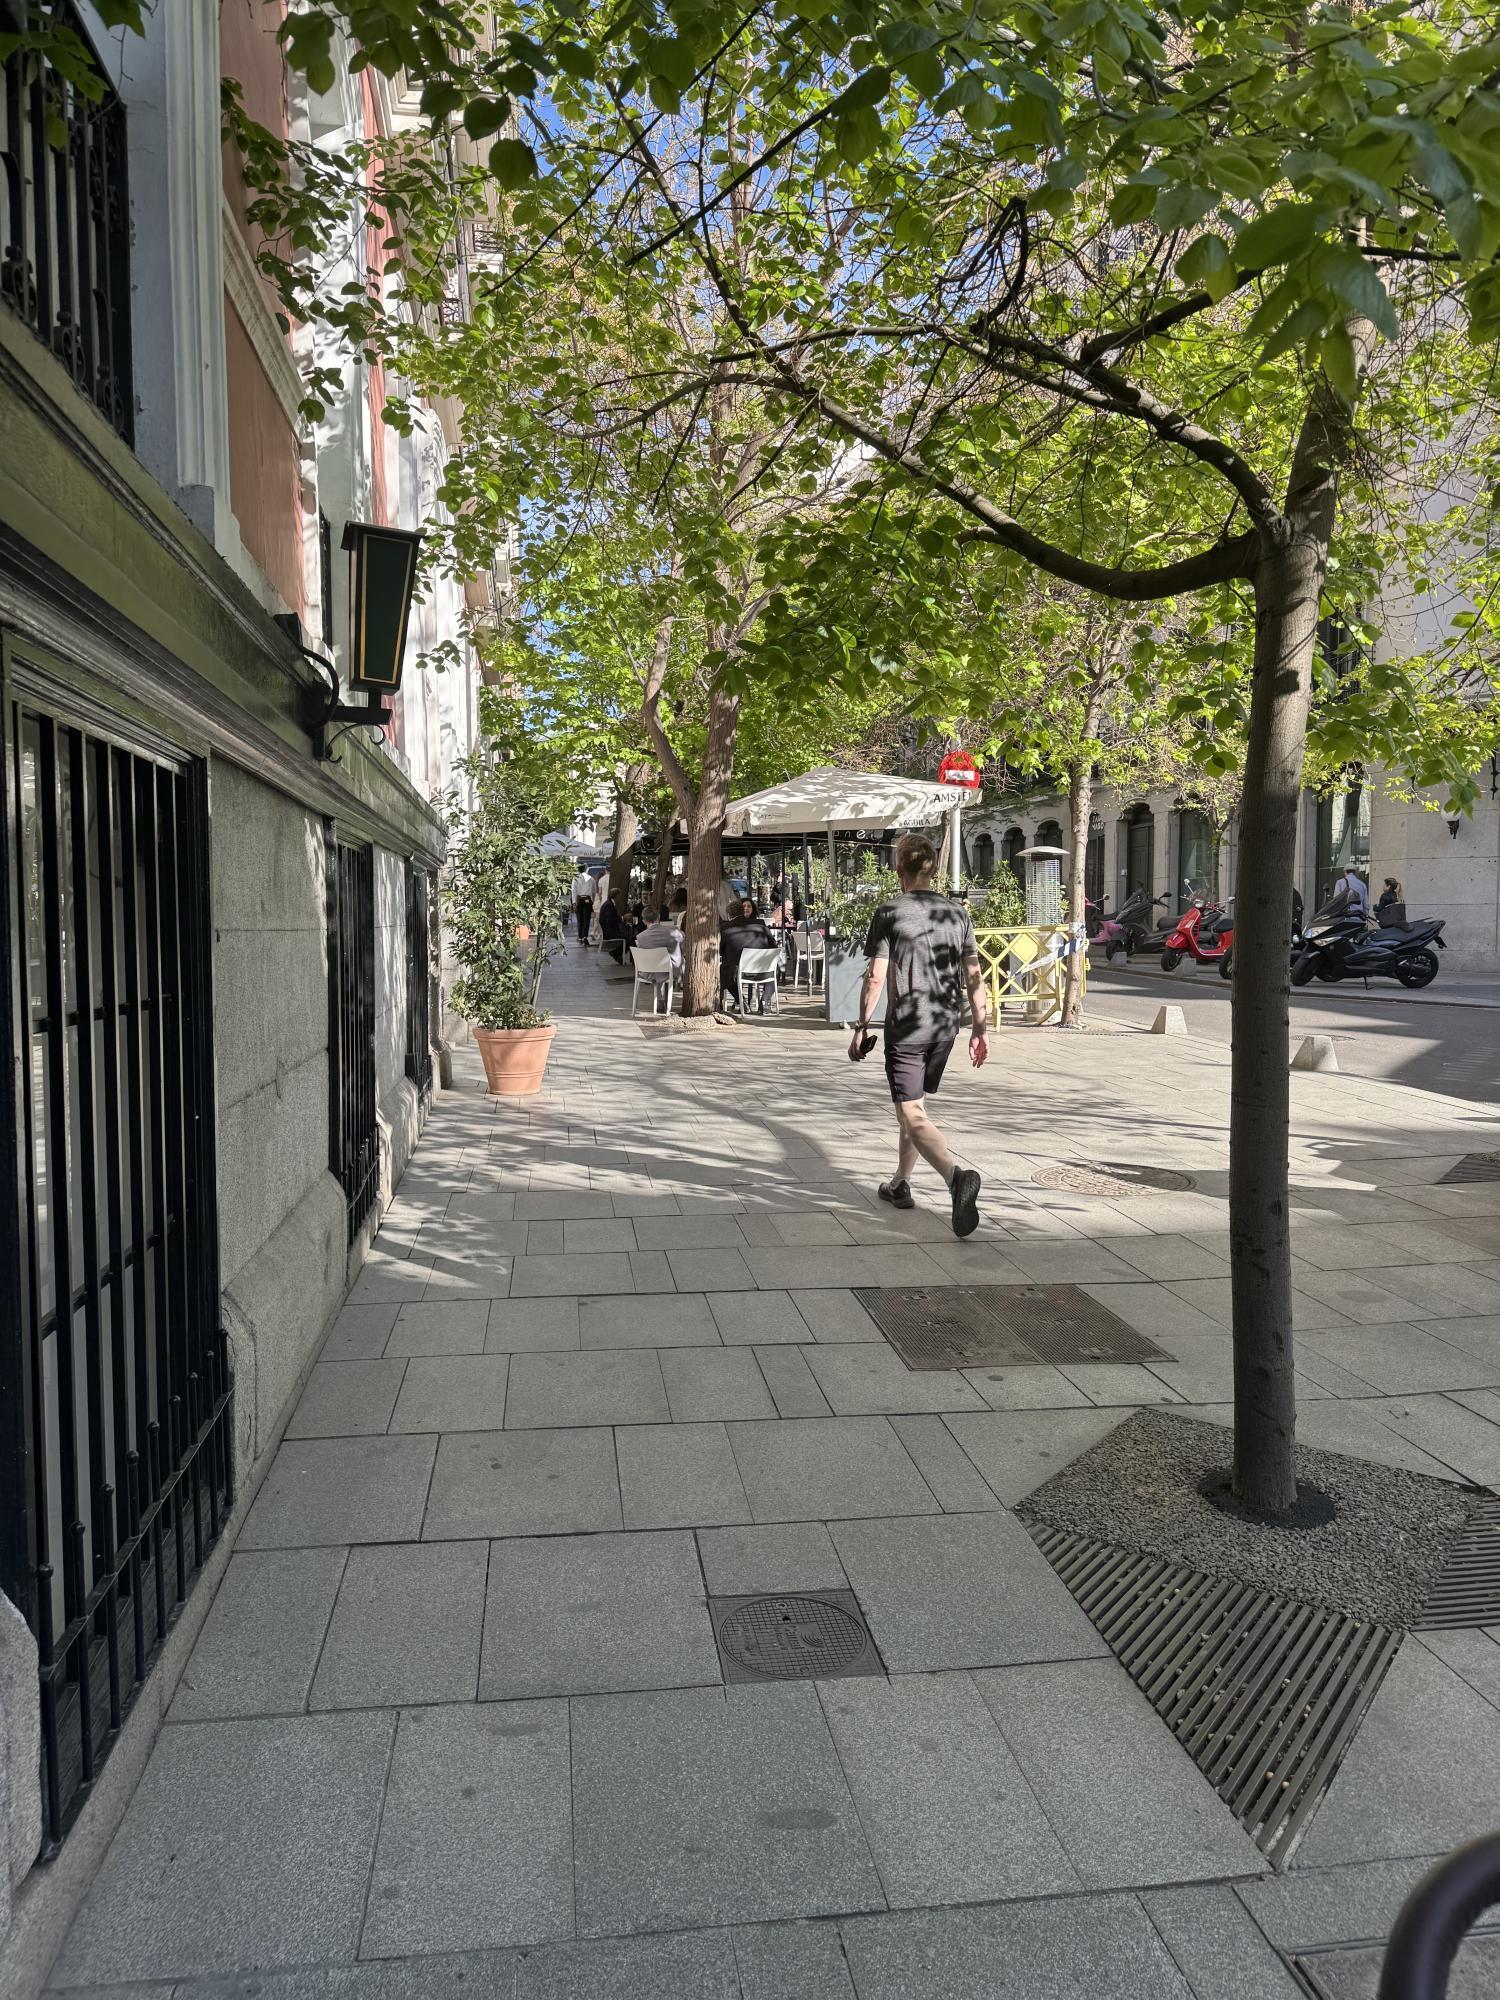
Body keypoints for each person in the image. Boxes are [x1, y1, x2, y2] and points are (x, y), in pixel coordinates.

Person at [850, 831, 988, 1237]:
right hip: (946, 1025)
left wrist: (861, 1026)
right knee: (913, 1106)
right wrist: (980, 1028)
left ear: (900, 870)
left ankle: (955, 1177)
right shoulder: (958, 914)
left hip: (908, 1026)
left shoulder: (890, 912)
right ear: (932, 869)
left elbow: (876, 977)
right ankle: (900, 1182)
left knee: (910, 1111)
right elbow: (974, 976)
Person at [720, 896, 775, 1011]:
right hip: (762, 971)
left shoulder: (726, 927)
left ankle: (741, 1001)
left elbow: (721, 951)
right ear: (742, 910)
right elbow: (773, 946)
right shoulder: (761, 924)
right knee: (774, 969)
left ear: (729, 914)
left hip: (739, 972)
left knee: (723, 973)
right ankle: (764, 1002)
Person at [634, 894, 684, 1004]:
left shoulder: (640, 937)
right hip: (670, 971)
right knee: (676, 955)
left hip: (648, 972)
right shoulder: (673, 932)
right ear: (659, 917)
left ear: (644, 921)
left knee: (660, 964)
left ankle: (661, 1001)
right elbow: (682, 946)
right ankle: (667, 996)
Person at [571, 865, 594, 944]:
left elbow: (573, 891)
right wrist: (593, 900)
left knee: (579, 919)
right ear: (585, 869)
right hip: (588, 899)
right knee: (586, 919)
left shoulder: (575, 878)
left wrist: (574, 902)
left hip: (579, 900)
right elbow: (594, 891)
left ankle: (580, 937)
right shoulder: (591, 878)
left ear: (578, 870)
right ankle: (585, 937)